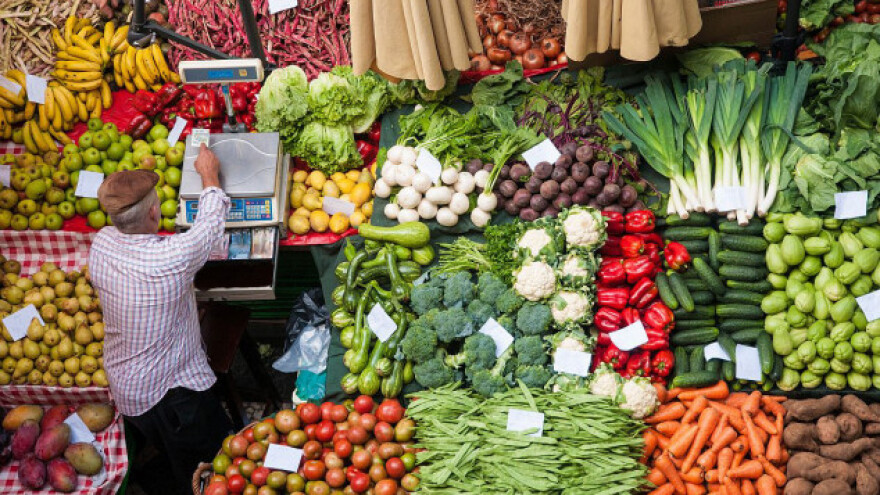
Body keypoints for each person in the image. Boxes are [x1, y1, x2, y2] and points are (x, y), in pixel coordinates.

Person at [88, 144, 233, 492]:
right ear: (155, 213)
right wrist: (209, 175)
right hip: (172, 393)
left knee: (170, 448)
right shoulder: (171, 257)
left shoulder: (101, 243)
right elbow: (210, 225)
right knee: (208, 459)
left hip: (127, 389)